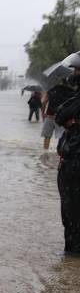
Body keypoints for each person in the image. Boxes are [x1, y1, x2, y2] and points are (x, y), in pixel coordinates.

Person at [55, 52, 80, 253]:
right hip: (72, 160)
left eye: (77, 70)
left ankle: (71, 258)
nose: (74, 73)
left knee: (72, 214)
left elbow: (61, 114)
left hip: (75, 163)